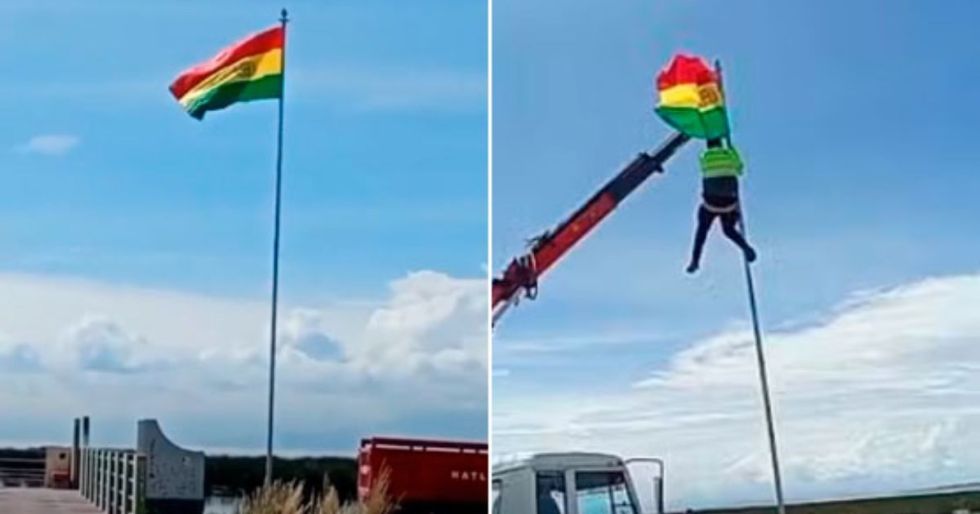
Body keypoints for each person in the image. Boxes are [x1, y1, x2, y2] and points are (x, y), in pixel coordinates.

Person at [686, 137, 756, 273]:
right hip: (729, 204)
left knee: (702, 231)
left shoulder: (703, 157)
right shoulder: (729, 154)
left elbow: (704, 171)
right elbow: (740, 170)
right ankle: (746, 248)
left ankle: (695, 261)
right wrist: (732, 150)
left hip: (710, 204)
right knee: (728, 230)